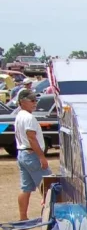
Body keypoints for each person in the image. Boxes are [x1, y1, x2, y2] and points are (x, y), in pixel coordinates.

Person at [14, 89, 50, 221]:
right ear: (22, 102)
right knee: (49, 186)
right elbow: (31, 137)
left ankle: (23, 217)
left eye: (36, 100)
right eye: (32, 101)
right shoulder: (29, 118)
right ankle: (51, 216)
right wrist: (41, 157)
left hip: (22, 153)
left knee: (26, 188)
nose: (35, 103)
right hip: (31, 153)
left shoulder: (19, 115)